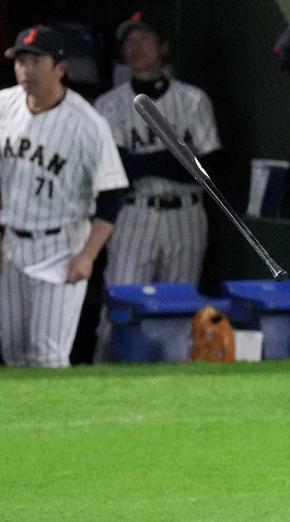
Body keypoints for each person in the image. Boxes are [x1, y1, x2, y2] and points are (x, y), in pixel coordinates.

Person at [0, 26, 128, 368]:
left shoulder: (87, 123)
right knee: (13, 352)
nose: (26, 69)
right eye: (20, 60)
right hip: (12, 246)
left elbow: (113, 193)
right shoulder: (3, 105)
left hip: (61, 248)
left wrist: (88, 255)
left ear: (60, 68)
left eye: (36, 60)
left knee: (47, 356)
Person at [93, 9, 220, 359]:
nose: (135, 46)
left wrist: (144, 162)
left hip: (186, 214)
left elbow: (205, 169)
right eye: (129, 39)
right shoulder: (108, 104)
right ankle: (103, 385)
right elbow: (118, 169)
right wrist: (173, 156)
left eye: (144, 37)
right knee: (118, 307)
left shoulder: (193, 100)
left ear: (163, 47)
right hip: (133, 215)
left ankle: (172, 394)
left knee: (180, 309)